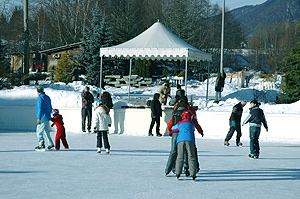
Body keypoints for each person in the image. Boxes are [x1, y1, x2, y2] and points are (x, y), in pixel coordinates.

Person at [172, 111, 198, 180]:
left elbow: (174, 128)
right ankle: (193, 173)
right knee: (191, 156)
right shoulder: (191, 123)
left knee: (180, 157)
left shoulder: (179, 123)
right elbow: (193, 129)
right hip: (190, 140)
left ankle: (178, 172)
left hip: (180, 141)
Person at [165, 101, 189, 176]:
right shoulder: (187, 112)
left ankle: (168, 169)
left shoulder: (175, 112)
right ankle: (186, 167)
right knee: (184, 151)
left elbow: (171, 123)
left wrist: (170, 131)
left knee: (173, 151)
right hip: (183, 133)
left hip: (175, 133)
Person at [35, 86, 55, 150]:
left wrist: (39, 117)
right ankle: (50, 143)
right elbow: (50, 107)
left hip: (42, 117)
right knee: (46, 131)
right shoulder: (47, 97)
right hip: (47, 116)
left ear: (38, 92)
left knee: (39, 131)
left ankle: (41, 144)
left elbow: (40, 108)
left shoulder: (40, 98)